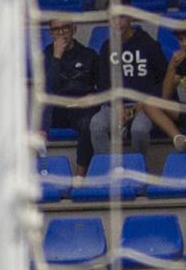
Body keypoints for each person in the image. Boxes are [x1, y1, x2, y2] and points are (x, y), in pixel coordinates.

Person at [91, 12, 179, 163]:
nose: (118, 22)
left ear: (131, 17)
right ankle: (107, 169)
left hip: (145, 106)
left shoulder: (148, 44)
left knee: (139, 129)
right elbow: (104, 84)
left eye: (122, 17)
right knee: (96, 124)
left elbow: (164, 79)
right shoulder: (107, 47)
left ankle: (137, 169)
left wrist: (147, 101)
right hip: (115, 105)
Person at [44, 19, 103, 174]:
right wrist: (56, 57)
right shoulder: (46, 55)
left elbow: (104, 87)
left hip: (82, 108)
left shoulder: (89, 55)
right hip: (57, 108)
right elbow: (49, 86)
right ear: (50, 33)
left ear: (74, 29)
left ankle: (80, 175)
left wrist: (92, 97)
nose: (61, 33)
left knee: (88, 122)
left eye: (65, 28)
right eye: (56, 30)